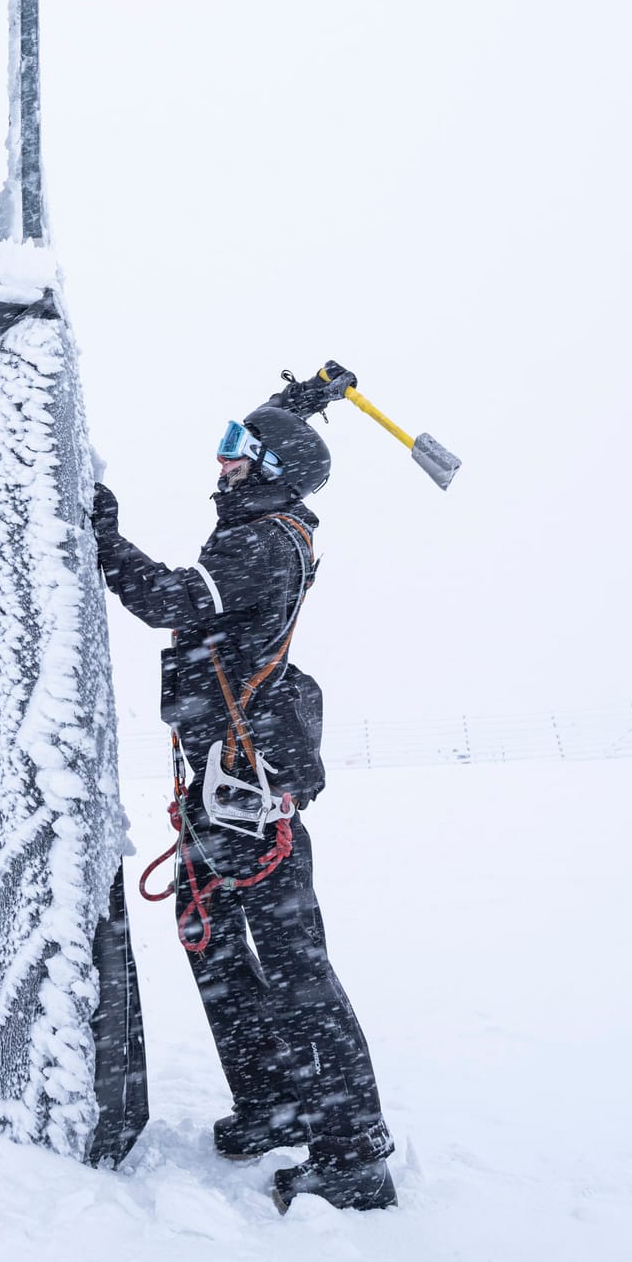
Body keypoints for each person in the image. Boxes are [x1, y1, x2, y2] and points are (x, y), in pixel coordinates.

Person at [92, 366, 397, 1215]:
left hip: (250, 800)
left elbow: (170, 598)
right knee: (210, 936)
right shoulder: (268, 520)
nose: (222, 459)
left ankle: (355, 1152)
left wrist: (104, 537)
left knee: (296, 967)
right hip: (225, 789)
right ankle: (273, 1099)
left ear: (270, 468)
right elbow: (270, 455)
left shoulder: (258, 543)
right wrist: (302, 401)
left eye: (238, 449)